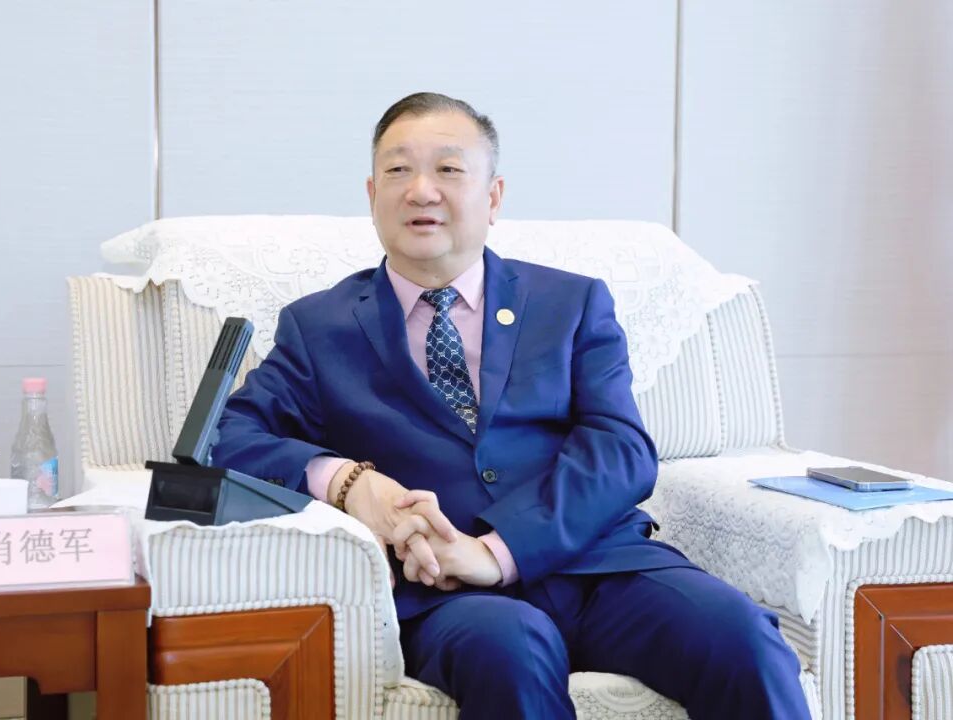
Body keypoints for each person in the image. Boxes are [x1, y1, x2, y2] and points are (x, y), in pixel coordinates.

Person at [214, 92, 810, 719]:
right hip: (442, 591)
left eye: (448, 169)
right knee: (512, 650)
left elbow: (621, 451)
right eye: (398, 170)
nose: (421, 190)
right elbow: (224, 439)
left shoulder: (570, 303)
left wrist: (499, 551)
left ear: (493, 196)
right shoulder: (319, 327)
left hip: (599, 565)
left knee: (744, 640)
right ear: (372, 194)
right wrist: (348, 482)